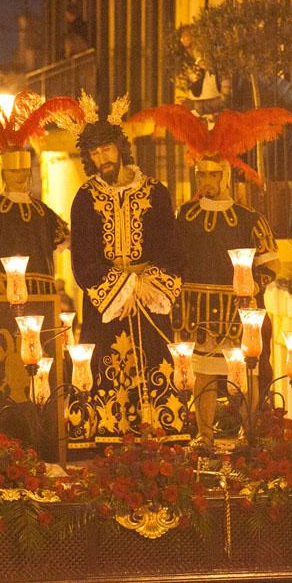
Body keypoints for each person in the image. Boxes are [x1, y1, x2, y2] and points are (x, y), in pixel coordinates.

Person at [123, 102, 292, 447]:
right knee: (202, 376)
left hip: (237, 314)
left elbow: (271, 265)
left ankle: (248, 435)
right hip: (195, 311)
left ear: (226, 176)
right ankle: (203, 436)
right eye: (201, 174)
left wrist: (249, 289)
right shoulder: (184, 215)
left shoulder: (249, 219)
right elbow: (171, 257)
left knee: (243, 378)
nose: (206, 181)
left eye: (212, 175)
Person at [67, 93, 185, 450]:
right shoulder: (85, 199)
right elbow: (83, 261)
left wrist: (148, 285)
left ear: (120, 147)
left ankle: (160, 441)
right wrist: (122, 288)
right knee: (106, 373)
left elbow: (171, 250)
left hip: (150, 300)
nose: (101, 158)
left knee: (156, 367)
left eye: (106, 149)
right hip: (107, 310)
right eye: (94, 153)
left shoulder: (157, 193)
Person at [0, 146, 69, 298]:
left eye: (24, 170)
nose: (21, 176)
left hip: (42, 294)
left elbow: (70, 241)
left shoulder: (44, 212)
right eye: (14, 171)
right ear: (3, 173)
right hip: (3, 294)